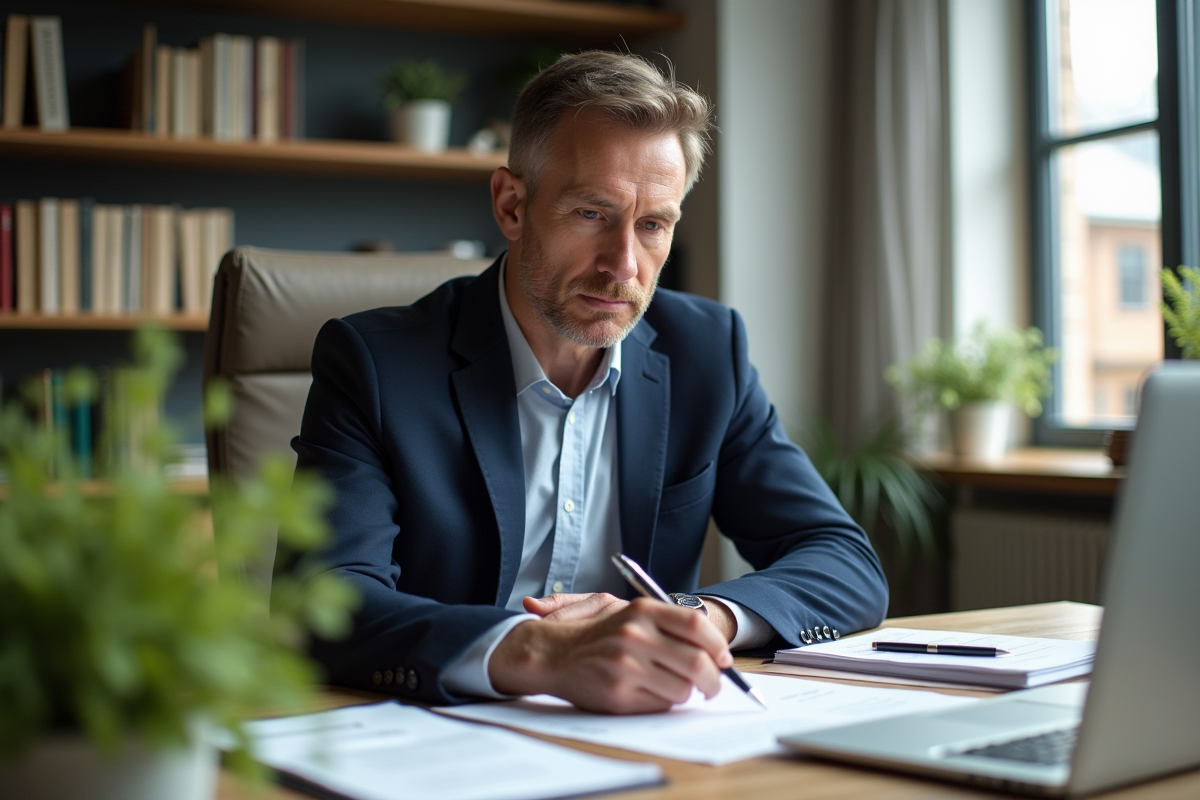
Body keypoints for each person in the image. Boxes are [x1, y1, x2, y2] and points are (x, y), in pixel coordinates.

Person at [293, 51, 888, 714]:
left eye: (653, 224)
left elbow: (841, 560)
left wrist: (694, 618)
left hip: (647, 738)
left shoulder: (706, 352)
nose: (623, 266)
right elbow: (324, 599)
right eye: (591, 214)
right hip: (437, 734)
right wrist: (540, 653)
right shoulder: (375, 363)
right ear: (512, 205)